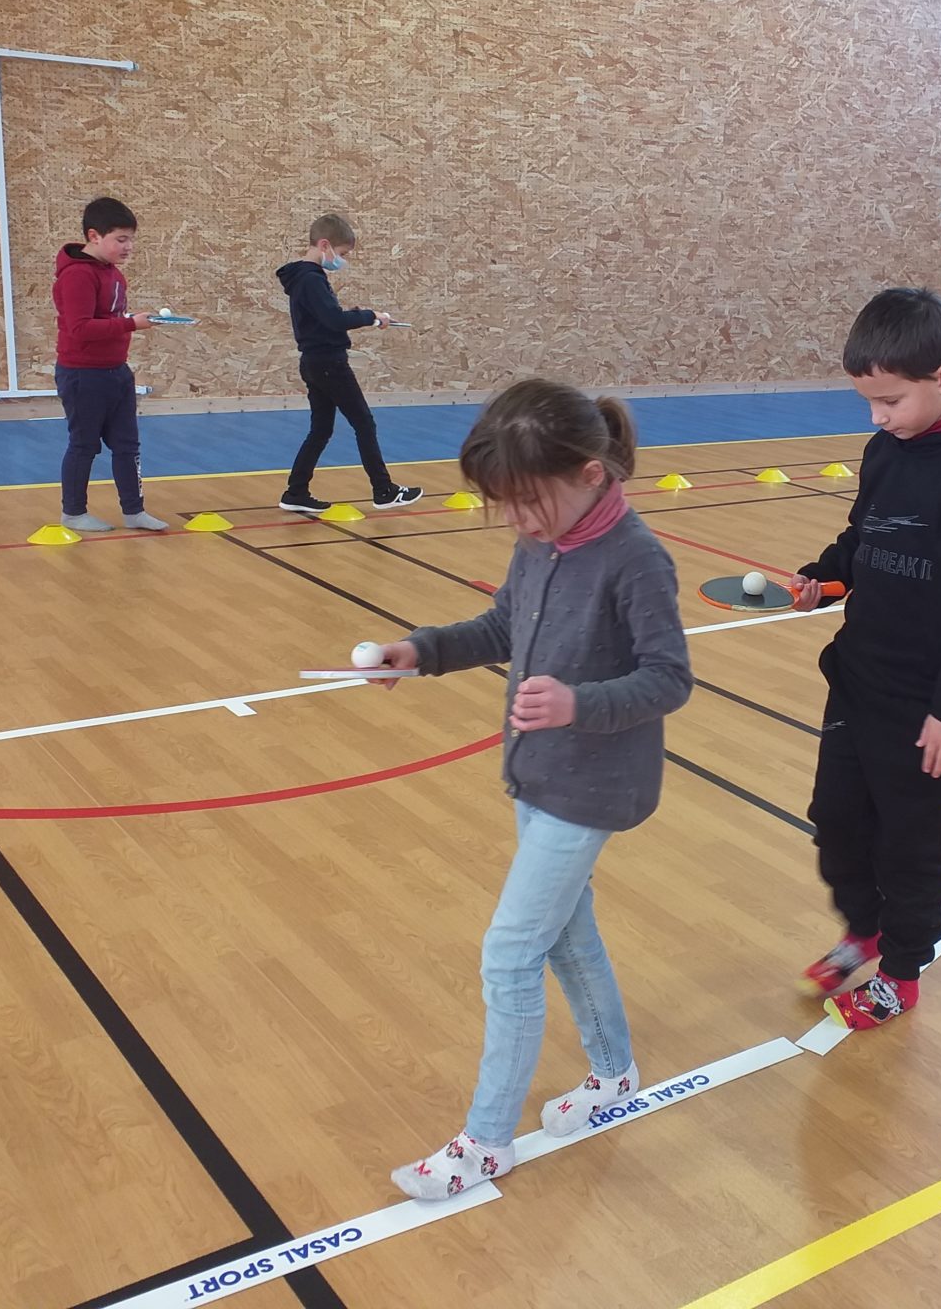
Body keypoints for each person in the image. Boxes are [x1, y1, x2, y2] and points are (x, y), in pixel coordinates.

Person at [367, 378, 692, 1199]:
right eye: (504, 504)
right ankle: (614, 1074)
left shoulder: (637, 559)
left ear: (589, 474)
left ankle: (485, 1143)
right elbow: (503, 626)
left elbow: (669, 678)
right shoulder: (541, 540)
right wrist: (423, 650)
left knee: (510, 954)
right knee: (566, 936)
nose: (515, 518)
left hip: (593, 786)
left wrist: (579, 703)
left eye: (526, 500)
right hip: (541, 774)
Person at [790, 287, 941, 1030]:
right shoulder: (886, 449)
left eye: (889, 401)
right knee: (835, 820)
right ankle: (865, 929)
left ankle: (900, 971)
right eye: (869, 401)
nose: (877, 417)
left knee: (908, 843)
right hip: (859, 676)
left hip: (926, 705)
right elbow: (865, 536)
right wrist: (826, 578)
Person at [276, 213, 423, 513]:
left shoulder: (303, 278)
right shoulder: (311, 279)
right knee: (364, 423)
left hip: (314, 362)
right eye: (341, 253)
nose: (341, 260)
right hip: (329, 363)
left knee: (321, 430)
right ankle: (384, 490)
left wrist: (357, 315)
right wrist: (370, 316)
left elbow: (326, 318)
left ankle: (296, 492)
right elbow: (334, 320)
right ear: (324, 245)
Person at [52, 196, 167, 532]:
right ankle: (73, 512)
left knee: (127, 445)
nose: (128, 246)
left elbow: (108, 317)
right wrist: (132, 324)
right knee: (84, 445)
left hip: (116, 370)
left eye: (131, 239)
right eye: (121, 239)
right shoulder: (77, 276)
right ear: (94, 236)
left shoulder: (113, 274)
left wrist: (132, 319)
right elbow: (80, 328)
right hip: (83, 374)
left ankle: (134, 511)